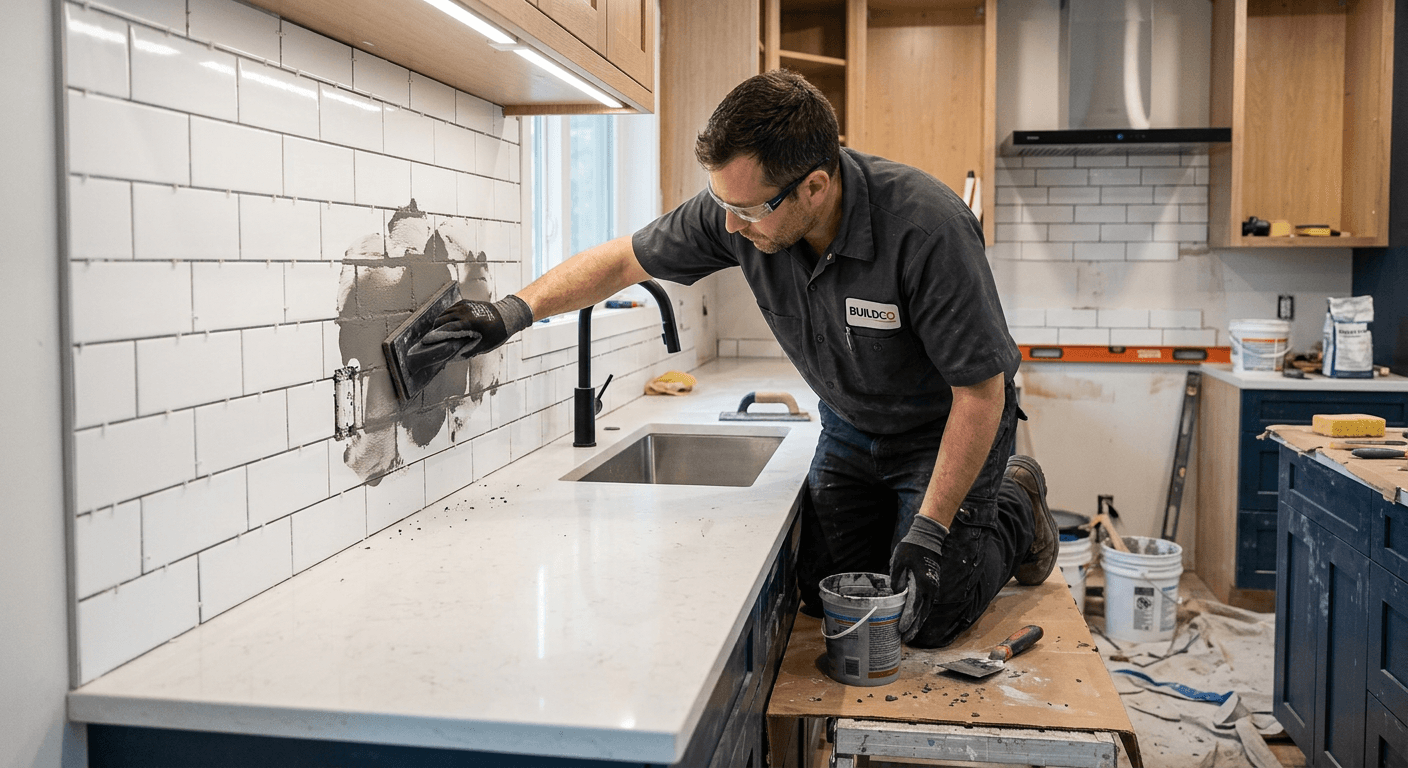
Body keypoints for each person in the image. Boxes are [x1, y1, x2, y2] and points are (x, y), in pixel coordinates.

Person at [417, 70, 1058, 647]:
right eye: (722, 204)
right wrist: (510, 313)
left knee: (926, 612)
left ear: (815, 185)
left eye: (747, 210)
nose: (729, 226)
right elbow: (621, 261)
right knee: (827, 598)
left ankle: (1017, 502)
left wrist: (931, 530)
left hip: (944, 428)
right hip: (850, 424)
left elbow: (981, 393)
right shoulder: (740, 211)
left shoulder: (925, 227)